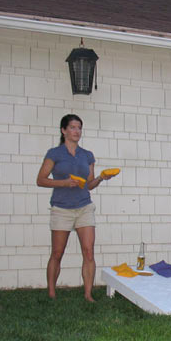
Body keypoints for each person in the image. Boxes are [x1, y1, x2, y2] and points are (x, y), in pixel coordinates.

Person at [36, 114, 109, 302]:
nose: (77, 131)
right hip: (61, 209)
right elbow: (41, 180)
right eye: (73, 127)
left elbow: (88, 185)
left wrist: (101, 178)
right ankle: (51, 293)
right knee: (57, 253)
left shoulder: (87, 155)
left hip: (84, 207)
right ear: (63, 130)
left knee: (88, 251)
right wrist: (64, 183)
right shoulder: (55, 153)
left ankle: (88, 294)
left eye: (79, 128)